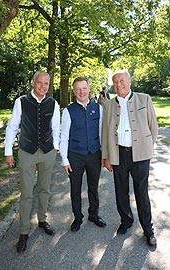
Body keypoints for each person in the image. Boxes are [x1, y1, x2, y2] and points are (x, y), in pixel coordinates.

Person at [4, 71, 60, 252]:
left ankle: (42, 220)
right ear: (33, 83)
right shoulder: (21, 102)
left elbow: (56, 127)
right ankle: (23, 231)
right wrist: (8, 151)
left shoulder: (53, 103)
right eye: (40, 83)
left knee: (44, 189)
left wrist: (56, 149)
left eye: (46, 84)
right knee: (27, 193)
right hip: (27, 151)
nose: (43, 86)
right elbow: (12, 126)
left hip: (47, 152)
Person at [102, 70, 158, 247]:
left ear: (129, 81)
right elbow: (105, 132)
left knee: (142, 193)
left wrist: (147, 147)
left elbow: (153, 126)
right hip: (119, 154)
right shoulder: (109, 104)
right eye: (115, 81)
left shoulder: (144, 98)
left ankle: (148, 230)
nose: (119, 84)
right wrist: (106, 157)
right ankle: (126, 222)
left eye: (122, 80)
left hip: (140, 154)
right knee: (121, 191)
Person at [60, 76, 106, 232]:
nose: (81, 91)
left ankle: (93, 214)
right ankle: (77, 218)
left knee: (93, 187)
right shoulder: (68, 111)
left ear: (89, 89)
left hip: (94, 154)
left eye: (84, 88)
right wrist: (65, 160)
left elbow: (101, 133)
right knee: (75, 188)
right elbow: (64, 136)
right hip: (75, 156)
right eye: (78, 89)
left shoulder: (98, 108)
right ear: (74, 92)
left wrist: (103, 155)